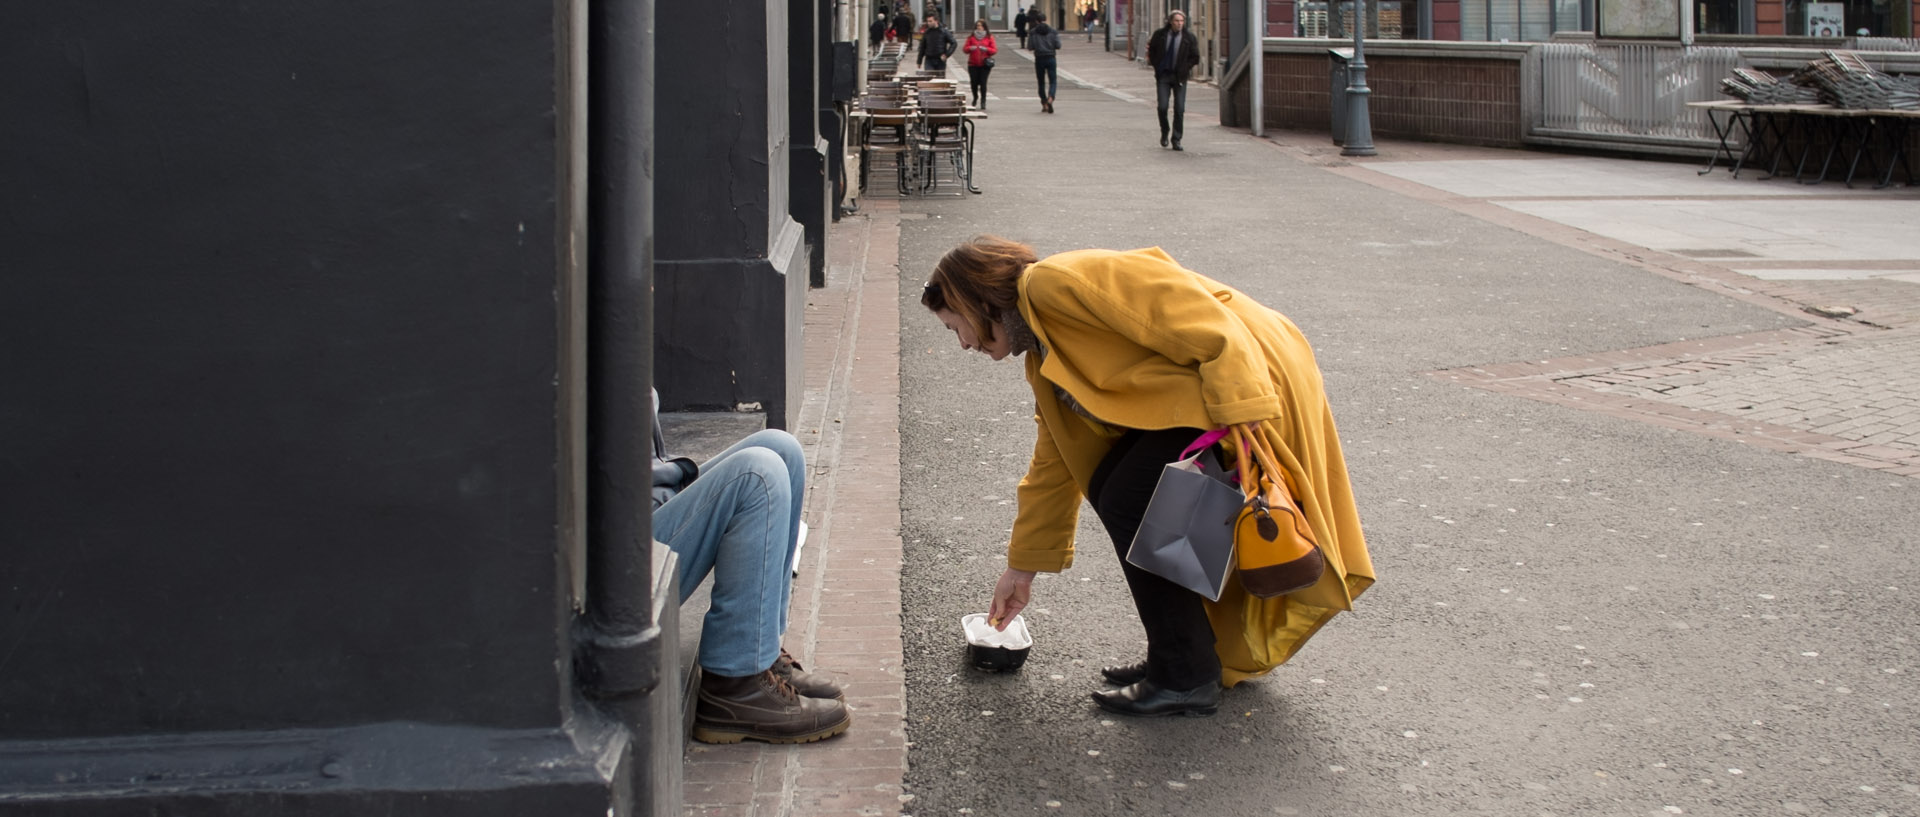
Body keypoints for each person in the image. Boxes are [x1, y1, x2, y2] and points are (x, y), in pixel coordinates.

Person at [919, 237, 1375, 718]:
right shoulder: (1041, 353)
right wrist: (1022, 568)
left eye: (956, 326)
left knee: (1129, 495)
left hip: (1245, 374)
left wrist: (1244, 408)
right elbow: (1055, 463)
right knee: (1111, 485)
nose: (964, 344)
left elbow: (1200, 318)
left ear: (975, 300)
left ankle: (1184, 674)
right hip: (1210, 385)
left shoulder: (1053, 283)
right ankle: (1183, 659)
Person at [651, 391, 852, 744]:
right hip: (618, 557)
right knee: (757, 474)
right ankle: (735, 686)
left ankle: (761, 652)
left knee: (780, 449)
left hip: (656, 499)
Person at [1146, 10, 1201, 151]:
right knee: (1162, 106)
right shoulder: (1160, 35)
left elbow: (1195, 57)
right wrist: (1157, 66)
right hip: (1164, 75)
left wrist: (1185, 67)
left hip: (1180, 77)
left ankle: (1176, 139)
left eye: (1182, 21)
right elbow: (1152, 50)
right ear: (1171, 21)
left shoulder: (1189, 37)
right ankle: (1164, 131)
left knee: (1179, 108)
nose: (1179, 24)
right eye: (1177, 21)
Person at [1027, 11, 1061, 113]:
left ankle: (1044, 103)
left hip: (1039, 58)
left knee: (1041, 82)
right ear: (1045, 19)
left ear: (1036, 21)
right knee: (1053, 80)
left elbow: (1030, 46)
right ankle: (1051, 98)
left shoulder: (1033, 32)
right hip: (1051, 57)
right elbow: (1058, 45)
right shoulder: (1053, 31)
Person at [963, 19, 998, 109]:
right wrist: (970, 48)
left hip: (984, 64)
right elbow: (965, 49)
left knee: (983, 83)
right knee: (974, 83)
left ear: (984, 27)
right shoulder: (971, 37)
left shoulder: (989, 37)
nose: (979, 27)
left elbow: (994, 50)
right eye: (977, 26)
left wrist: (986, 49)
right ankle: (975, 97)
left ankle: (983, 101)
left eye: (981, 26)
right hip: (973, 64)